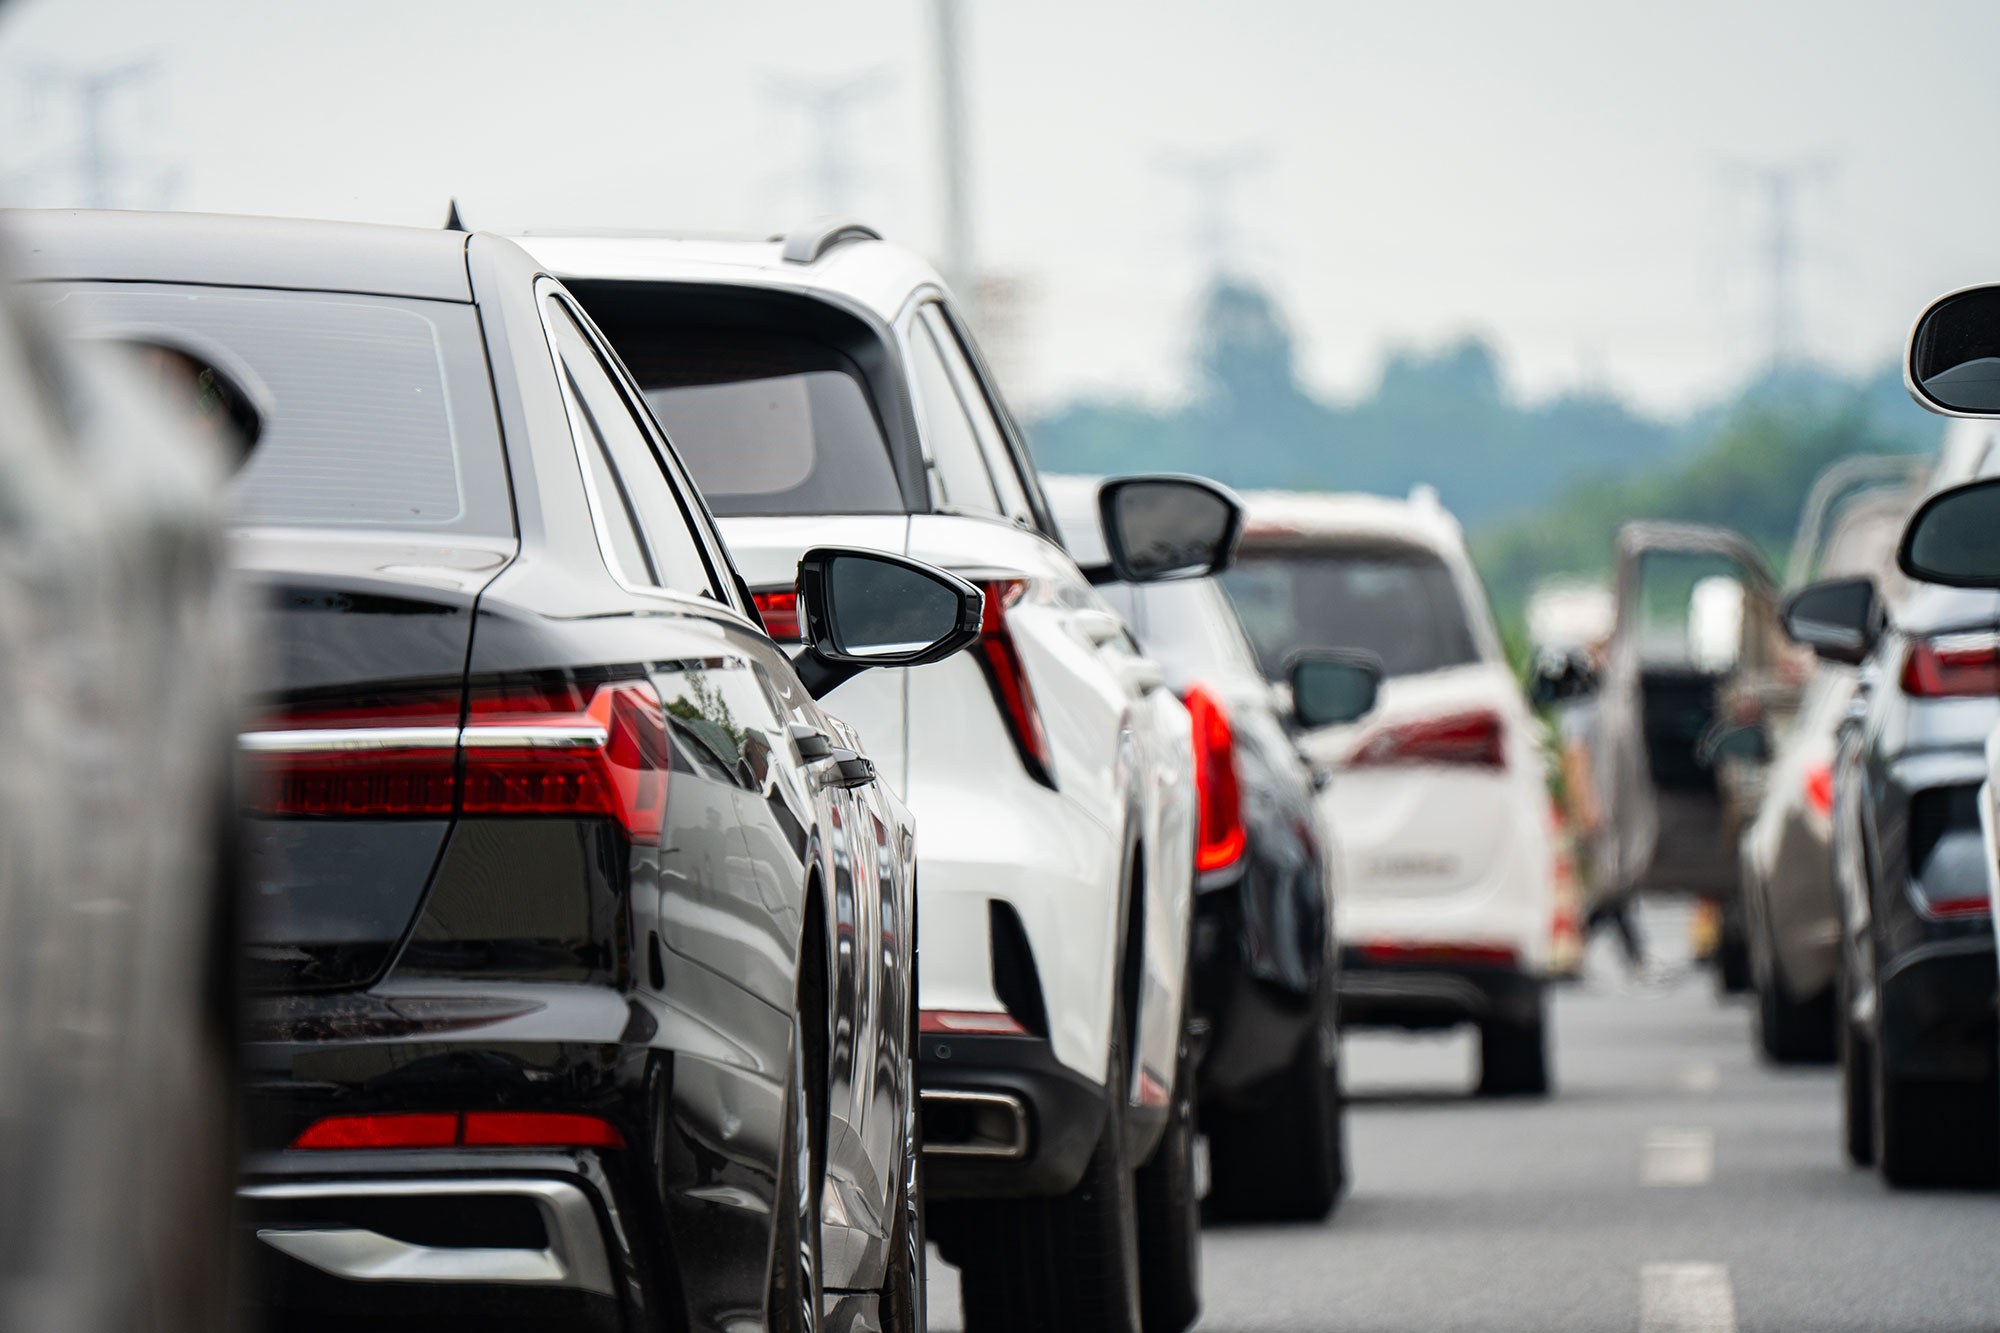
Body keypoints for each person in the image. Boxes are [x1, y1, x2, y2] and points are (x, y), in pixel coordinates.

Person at [1556, 642, 1647, 972]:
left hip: (1614, 806)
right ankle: (1629, 952)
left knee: (1613, 881)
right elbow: (1575, 756)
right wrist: (1586, 804)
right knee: (1611, 884)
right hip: (1598, 805)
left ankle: (1580, 944)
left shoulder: (1610, 696)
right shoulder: (1584, 697)